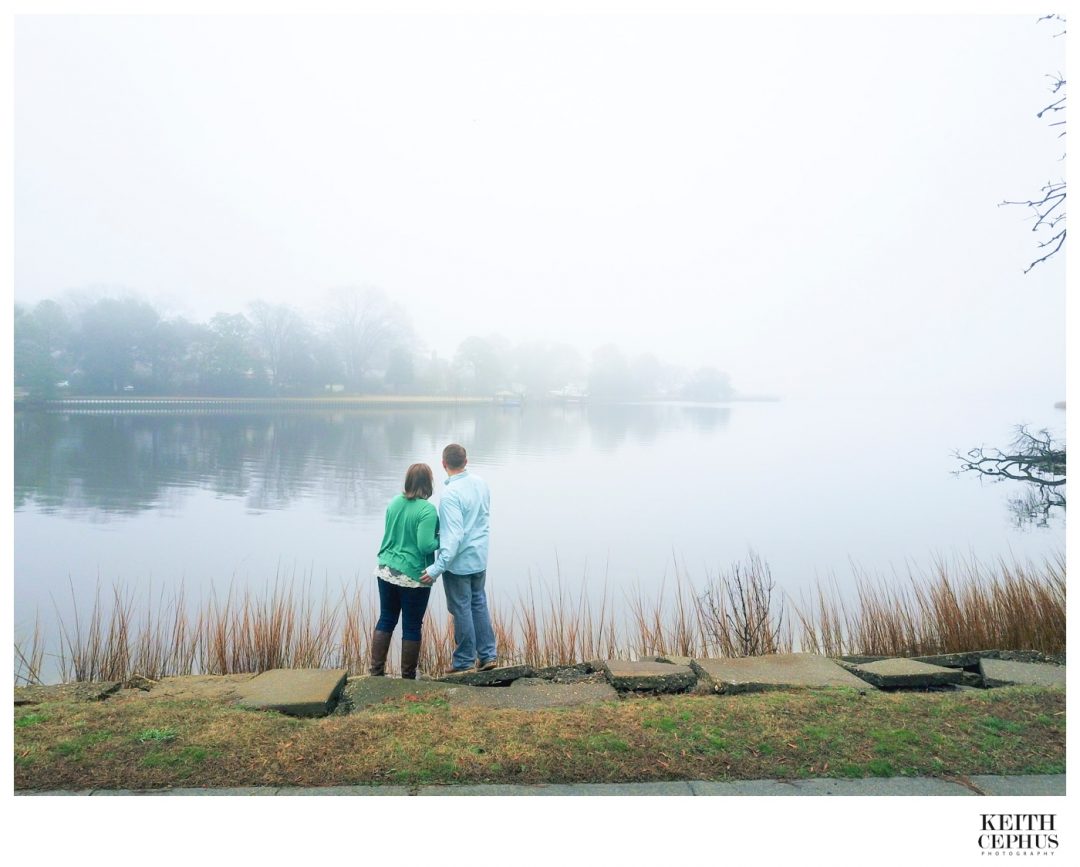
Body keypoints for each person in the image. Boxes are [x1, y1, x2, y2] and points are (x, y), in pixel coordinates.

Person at [420, 443, 496, 673]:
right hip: (479, 558)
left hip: (458, 563)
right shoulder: (482, 485)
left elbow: (453, 537)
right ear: (466, 461)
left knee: (462, 608)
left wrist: (436, 568)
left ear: (444, 464)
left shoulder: (450, 495)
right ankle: (488, 656)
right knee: (479, 604)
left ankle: (463, 662)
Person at [369, 463, 440, 679]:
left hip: (386, 569)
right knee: (411, 625)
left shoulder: (394, 502)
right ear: (428, 483)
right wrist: (443, 538)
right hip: (413, 575)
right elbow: (425, 545)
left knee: (386, 619)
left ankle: (376, 671)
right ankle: (408, 676)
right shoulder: (427, 510)